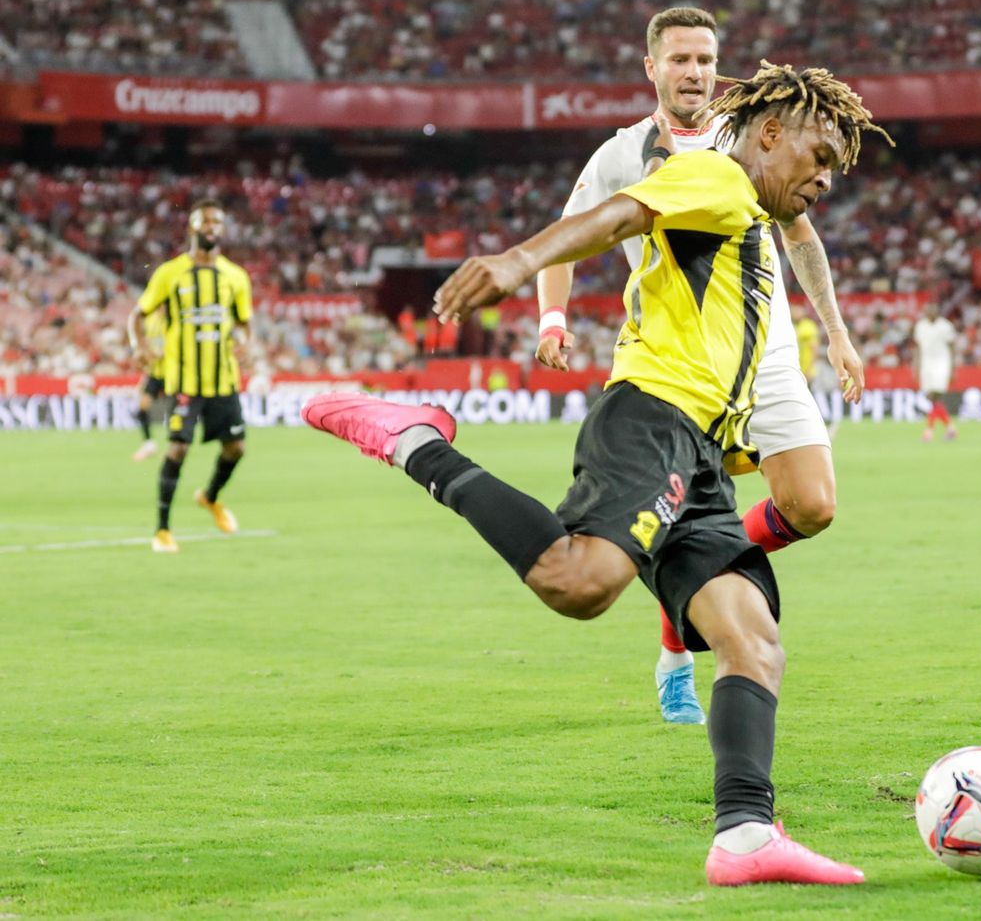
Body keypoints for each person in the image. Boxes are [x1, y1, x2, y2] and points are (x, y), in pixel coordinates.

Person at [303, 61, 890, 885]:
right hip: (652, 420)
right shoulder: (718, 178)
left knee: (753, 641)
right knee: (578, 582)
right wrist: (519, 264)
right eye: (820, 156)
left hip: (701, 452)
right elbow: (621, 213)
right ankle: (416, 442)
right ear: (768, 133)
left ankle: (745, 836)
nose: (827, 178)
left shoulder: (751, 214)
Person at [534, 7, 867, 726]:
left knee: (813, 504)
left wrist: (836, 332)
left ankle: (672, 618)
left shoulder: (749, 138)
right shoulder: (623, 153)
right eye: (681, 59)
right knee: (684, 514)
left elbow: (800, 236)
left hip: (767, 354)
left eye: (706, 60)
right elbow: (568, 234)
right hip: (684, 367)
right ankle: (679, 647)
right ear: (651, 67)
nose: (695, 72)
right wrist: (552, 317)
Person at [128, 200, 256, 552]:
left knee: (236, 448)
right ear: (192, 227)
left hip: (223, 380)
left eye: (217, 221)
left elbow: (245, 322)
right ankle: (162, 530)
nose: (212, 226)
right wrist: (139, 346)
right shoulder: (170, 273)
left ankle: (210, 497)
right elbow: (137, 315)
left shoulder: (235, 276)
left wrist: (246, 344)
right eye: (205, 221)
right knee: (177, 449)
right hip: (184, 380)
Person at [912, 304, 958, 441]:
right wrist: (916, 366)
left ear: (937, 312)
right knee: (931, 398)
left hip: (942, 363)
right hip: (926, 364)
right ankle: (950, 428)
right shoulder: (920, 326)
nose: (930, 313)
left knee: (934, 395)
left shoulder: (945, 326)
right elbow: (918, 348)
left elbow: (952, 347)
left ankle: (929, 431)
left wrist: (953, 369)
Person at [131, 314, 169, 461]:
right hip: (155, 374)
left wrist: (160, 354)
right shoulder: (150, 319)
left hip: (172, 374)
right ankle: (149, 445)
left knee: (175, 413)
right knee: (142, 408)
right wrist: (143, 353)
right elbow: (147, 343)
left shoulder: (173, 318)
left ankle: (173, 447)